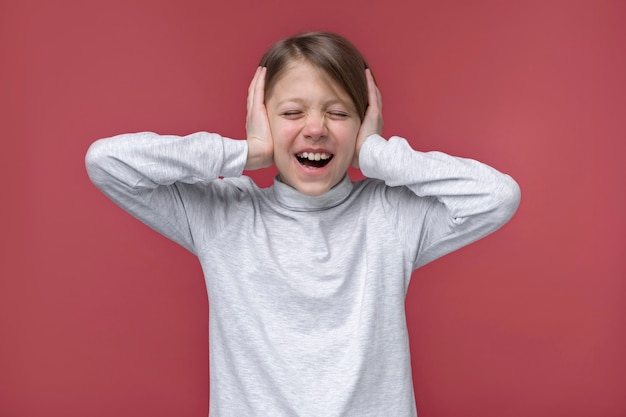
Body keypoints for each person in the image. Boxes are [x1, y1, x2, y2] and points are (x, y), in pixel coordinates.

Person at [86, 31, 520, 417]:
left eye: (339, 113)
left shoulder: (390, 216)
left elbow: (497, 196)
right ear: (264, 121)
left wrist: (377, 154)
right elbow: (107, 162)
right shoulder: (224, 215)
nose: (315, 128)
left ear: (362, 124)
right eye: (292, 113)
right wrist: (245, 152)